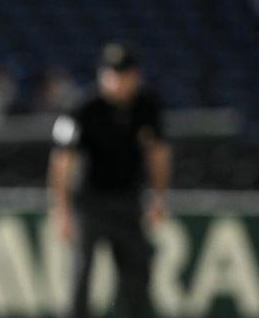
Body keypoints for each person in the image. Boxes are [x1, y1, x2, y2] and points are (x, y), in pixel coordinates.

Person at [48, 43, 171, 318]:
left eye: (122, 75)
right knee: (81, 275)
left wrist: (160, 197)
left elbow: (159, 154)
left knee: (137, 275)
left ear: (135, 77)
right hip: (90, 203)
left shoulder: (146, 107)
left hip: (128, 202)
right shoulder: (83, 107)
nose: (115, 81)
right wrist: (62, 209)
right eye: (110, 74)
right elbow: (62, 160)